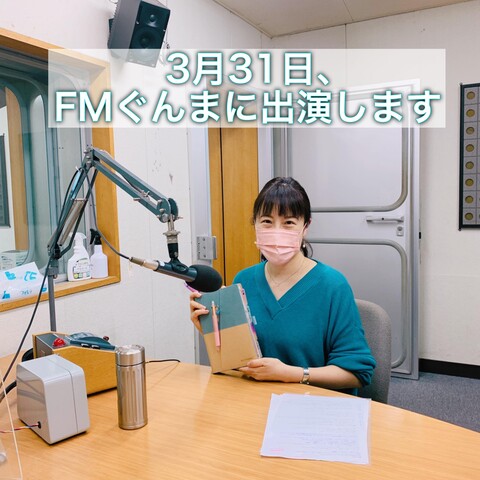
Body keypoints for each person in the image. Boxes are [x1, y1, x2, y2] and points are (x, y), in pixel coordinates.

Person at [190, 177, 375, 394]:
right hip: (255, 401)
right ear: (255, 225)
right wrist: (212, 331)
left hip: (312, 404)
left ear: (305, 227)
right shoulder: (244, 280)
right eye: (267, 221)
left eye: (288, 223)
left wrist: (293, 374)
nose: (277, 230)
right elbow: (240, 363)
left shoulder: (333, 286)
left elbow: (357, 373)